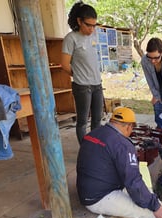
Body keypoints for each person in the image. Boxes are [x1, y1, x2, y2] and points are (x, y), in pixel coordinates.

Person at [61, 1, 104, 144]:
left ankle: (95, 148)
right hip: (82, 87)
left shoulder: (93, 36)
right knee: (82, 121)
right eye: (88, 25)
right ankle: (85, 149)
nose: (92, 29)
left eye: (94, 25)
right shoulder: (71, 38)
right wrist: (79, 74)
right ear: (79, 21)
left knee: (97, 119)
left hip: (97, 84)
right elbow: (65, 65)